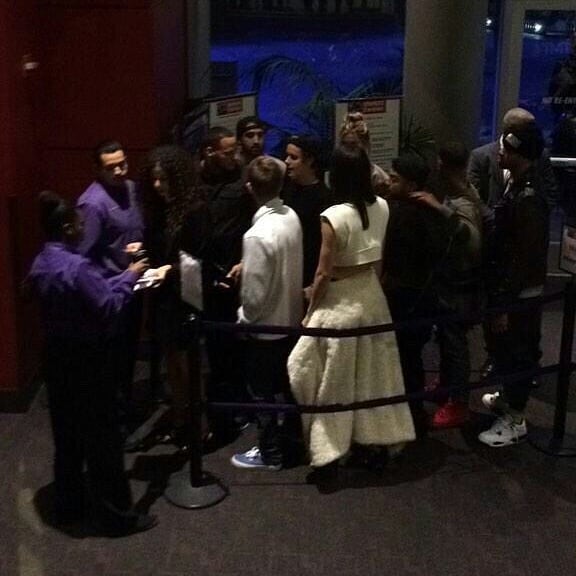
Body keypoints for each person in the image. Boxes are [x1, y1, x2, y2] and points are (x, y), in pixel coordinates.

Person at [27, 191, 156, 535]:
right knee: (103, 441)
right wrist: (131, 278)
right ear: (68, 226)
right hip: (89, 360)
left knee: (67, 436)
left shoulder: (41, 262)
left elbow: (90, 291)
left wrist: (122, 277)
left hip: (57, 358)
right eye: (80, 224)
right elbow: (108, 305)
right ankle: (117, 518)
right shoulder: (78, 266)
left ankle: (68, 506)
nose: (84, 228)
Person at [288, 146, 415, 482]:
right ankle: (375, 443)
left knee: (329, 380)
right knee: (374, 378)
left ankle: (329, 450)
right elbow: (378, 262)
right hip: (372, 298)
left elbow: (322, 273)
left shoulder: (332, 216)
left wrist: (310, 310)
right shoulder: (384, 207)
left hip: (339, 305)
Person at [230, 156, 303, 470]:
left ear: (249, 188)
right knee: (287, 389)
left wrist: (243, 319)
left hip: (265, 329)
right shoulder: (292, 217)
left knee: (262, 394)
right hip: (291, 320)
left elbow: (255, 297)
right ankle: (290, 444)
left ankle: (270, 453)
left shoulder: (256, 235)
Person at [479, 124, 549, 448]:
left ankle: (516, 418)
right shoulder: (516, 187)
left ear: (521, 154)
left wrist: (507, 302)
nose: (500, 151)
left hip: (519, 295)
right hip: (509, 289)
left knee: (516, 351)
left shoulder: (528, 197)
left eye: (507, 147)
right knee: (504, 350)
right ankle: (508, 400)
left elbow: (525, 257)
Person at [140, 145, 213, 447]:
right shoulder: (161, 208)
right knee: (173, 361)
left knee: (188, 365)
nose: (158, 186)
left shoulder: (195, 210)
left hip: (185, 295)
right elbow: (158, 247)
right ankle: (181, 417)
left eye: (164, 180)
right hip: (165, 295)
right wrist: (143, 254)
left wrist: (166, 270)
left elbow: (199, 260)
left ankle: (200, 426)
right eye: (155, 180)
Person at [382, 154, 459, 435]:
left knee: (405, 360)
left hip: (405, 299)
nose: (389, 183)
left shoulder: (402, 215)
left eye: (395, 179)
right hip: (424, 299)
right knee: (412, 359)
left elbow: (393, 260)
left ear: (410, 183)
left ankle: (409, 418)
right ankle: (414, 416)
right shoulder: (431, 212)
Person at [415, 143, 484, 429]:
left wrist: (439, 209)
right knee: (446, 338)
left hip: (460, 283)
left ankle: (458, 403)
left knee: (455, 344)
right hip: (453, 282)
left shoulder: (463, 202)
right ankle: (446, 386)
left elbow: (471, 239)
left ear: (442, 164)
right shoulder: (466, 193)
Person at [76, 140, 145, 425]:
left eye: (123, 164)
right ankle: (113, 420)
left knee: (127, 352)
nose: (119, 170)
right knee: (112, 358)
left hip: (135, 283)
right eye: (111, 167)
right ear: (97, 169)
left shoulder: (130, 189)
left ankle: (123, 408)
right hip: (112, 289)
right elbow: (82, 254)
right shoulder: (91, 204)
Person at [282, 135, 332, 288]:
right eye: (287, 156)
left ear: (309, 161)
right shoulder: (285, 189)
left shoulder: (324, 198)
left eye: (293, 157)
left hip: (307, 276)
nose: (287, 162)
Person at [339, 111, 391, 196]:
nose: (348, 150)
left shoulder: (379, 178)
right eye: (344, 144)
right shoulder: (339, 173)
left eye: (353, 145)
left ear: (366, 145)